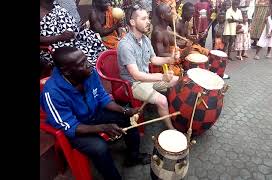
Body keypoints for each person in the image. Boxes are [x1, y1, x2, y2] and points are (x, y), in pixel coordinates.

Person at [40, 47, 151, 180]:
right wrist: (103, 127)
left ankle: (133, 156)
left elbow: (102, 98)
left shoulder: (89, 73)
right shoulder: (51, 93)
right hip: (76, 128)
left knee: (127, 118)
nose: (89, 64)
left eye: (85, 59)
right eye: (82, 63)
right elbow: (70, 126)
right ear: (67, 71)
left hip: (94, 113)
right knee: (99, 148)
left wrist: (126, 110)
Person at [118, 4, 180, 129]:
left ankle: (177, 115)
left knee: (178, 81)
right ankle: (171, 128)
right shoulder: (125, 45)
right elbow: (136, 75)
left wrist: (170, 59)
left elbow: (154, 59)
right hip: (134, 84)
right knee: (162, 100)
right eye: (143, 19)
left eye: (148, 18)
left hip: (147, 79)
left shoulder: (145, 39)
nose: (148, 22)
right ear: (132, 22)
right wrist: (162, 76)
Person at [40, 0, 106, 65]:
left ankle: (103, 62)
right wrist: (60, 37)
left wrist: (77, 29)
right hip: (58, 49)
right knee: (85, 58)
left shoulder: (56, 7)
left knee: (96, 45)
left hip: (75, 40)